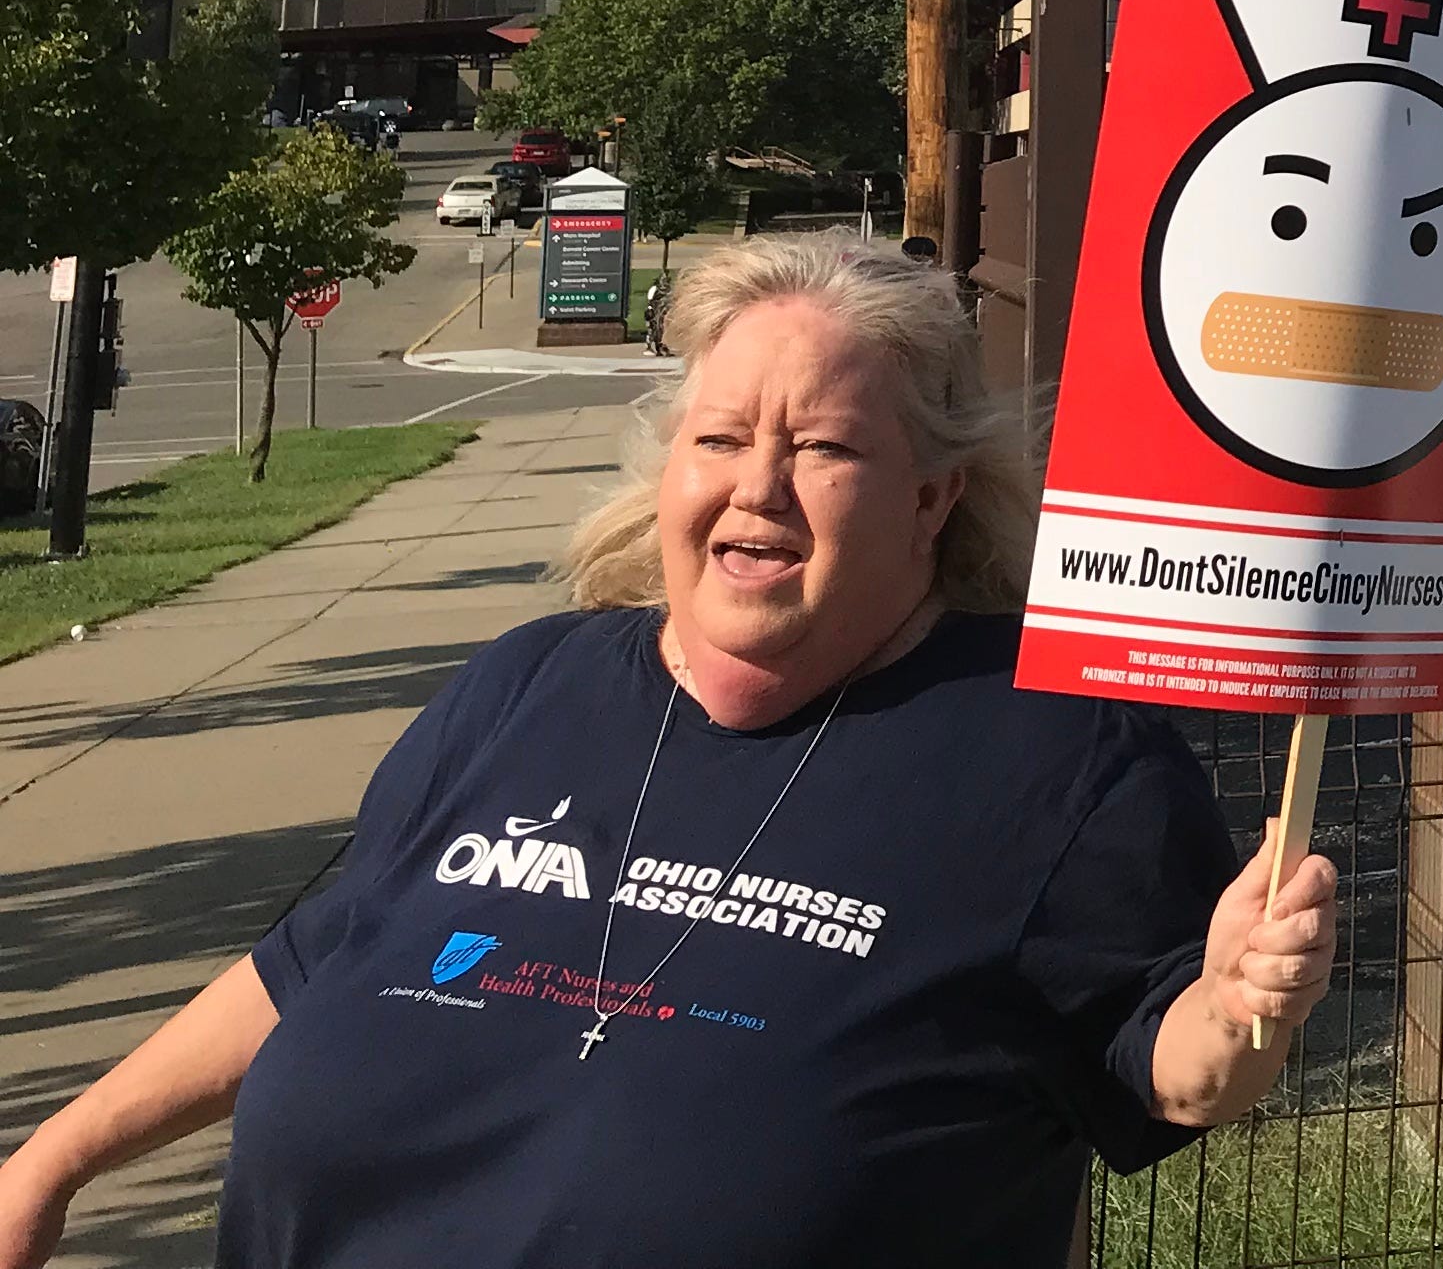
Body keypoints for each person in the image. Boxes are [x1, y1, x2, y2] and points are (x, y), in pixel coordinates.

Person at [0, 240, 1340, 1269]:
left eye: (823, 449)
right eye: (718, 439)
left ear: (933, 494)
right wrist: (56, 1157)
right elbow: (322, 954)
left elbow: (1172, 1064)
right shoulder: (528, 686)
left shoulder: (1057, 751)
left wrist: (1236, 1009)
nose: (755, 488)